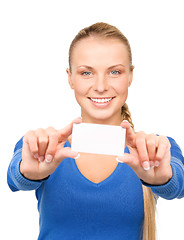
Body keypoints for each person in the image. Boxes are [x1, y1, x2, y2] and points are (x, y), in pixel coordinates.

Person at [7, 22, 184, 240]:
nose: (101, 86)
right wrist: (29, 174)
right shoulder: (42, 145)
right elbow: (15, 177)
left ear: (130, 76)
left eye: (115, 72)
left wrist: (162, 180)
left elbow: (178, 184)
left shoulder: (157, 149)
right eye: (87, 73)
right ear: (70, 78)